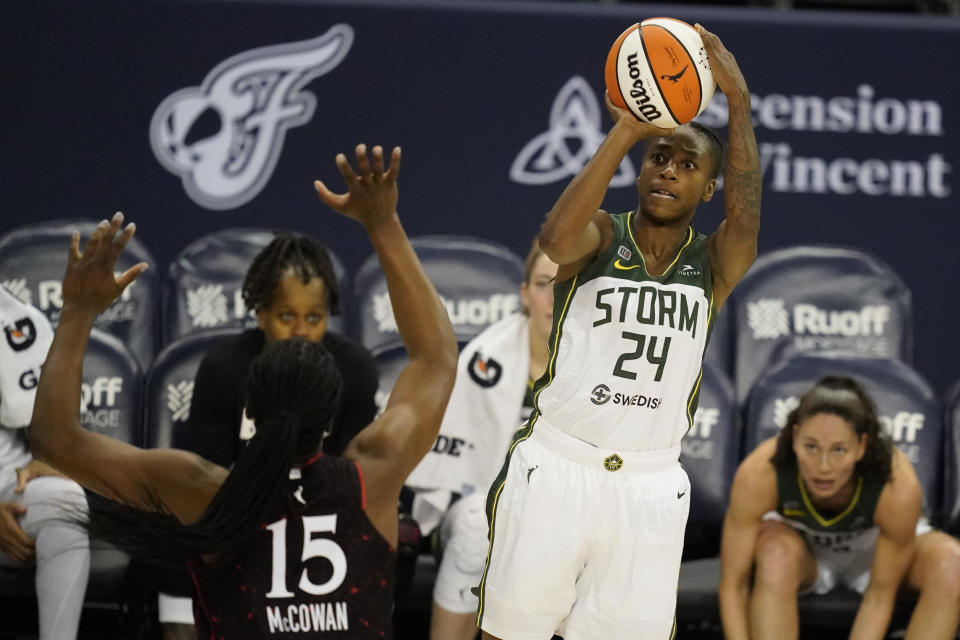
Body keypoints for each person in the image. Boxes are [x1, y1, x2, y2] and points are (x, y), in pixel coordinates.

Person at [27, 143, 459, 639]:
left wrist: (78, 311)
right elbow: (437, 357)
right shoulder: (372, 479)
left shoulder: (203, 490)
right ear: (329, 414)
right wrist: (384, 223)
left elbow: (55, 440)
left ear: (251, 406)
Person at [476, 25, 761, 640]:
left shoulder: (714, 263)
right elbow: (554, 241)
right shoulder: (603, 235)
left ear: (708, 189)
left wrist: (737, 102)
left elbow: (746, 211)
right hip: (558, 464)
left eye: (688, 165)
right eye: (660, 157)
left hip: (649, 484)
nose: (668, 171)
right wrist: (628, 129)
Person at [159, 231, 378, 637]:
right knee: (180, 541)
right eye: (285, 316)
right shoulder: (224, 368)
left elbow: (356, 476)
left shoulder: (354, 369)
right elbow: (206, 476)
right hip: (238, 521)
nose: (300, 331)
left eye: (313, 318)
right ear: (261, 315)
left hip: (323, 523)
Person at [718, 375, 960, 640]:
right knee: (775, 553)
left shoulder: (896, 484)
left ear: (861, 446)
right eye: (811, 447)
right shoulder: (761, 472)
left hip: (875, 553)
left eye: (839, 450)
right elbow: (733, 587)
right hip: (801, 552)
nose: (823, 466)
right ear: (796, 438)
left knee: (952, 565)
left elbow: (879, 598)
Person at [401, 239, 557, 640]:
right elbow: (451, 471)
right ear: (525, 295)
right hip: (483, 502)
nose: (553, 297)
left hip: (565, 505)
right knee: (476, 529)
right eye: (543, 284)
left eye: (565, 283)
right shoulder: (485, 361)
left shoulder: (599, 365)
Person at [0, 285, 90, 640]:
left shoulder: (10, 317)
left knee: (63, 500)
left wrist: (49, 459)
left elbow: (51, 423)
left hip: (6, 483)